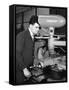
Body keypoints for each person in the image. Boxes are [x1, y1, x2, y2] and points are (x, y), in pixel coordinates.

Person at [16, 15, 40, 84]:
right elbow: (17, 53)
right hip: (21, 70)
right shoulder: (22, 35)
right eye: (36, 27)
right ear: (30, 26)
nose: (38, 29)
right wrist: (24, 69)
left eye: (39, 27)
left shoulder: (32, 36)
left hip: (29, 67)